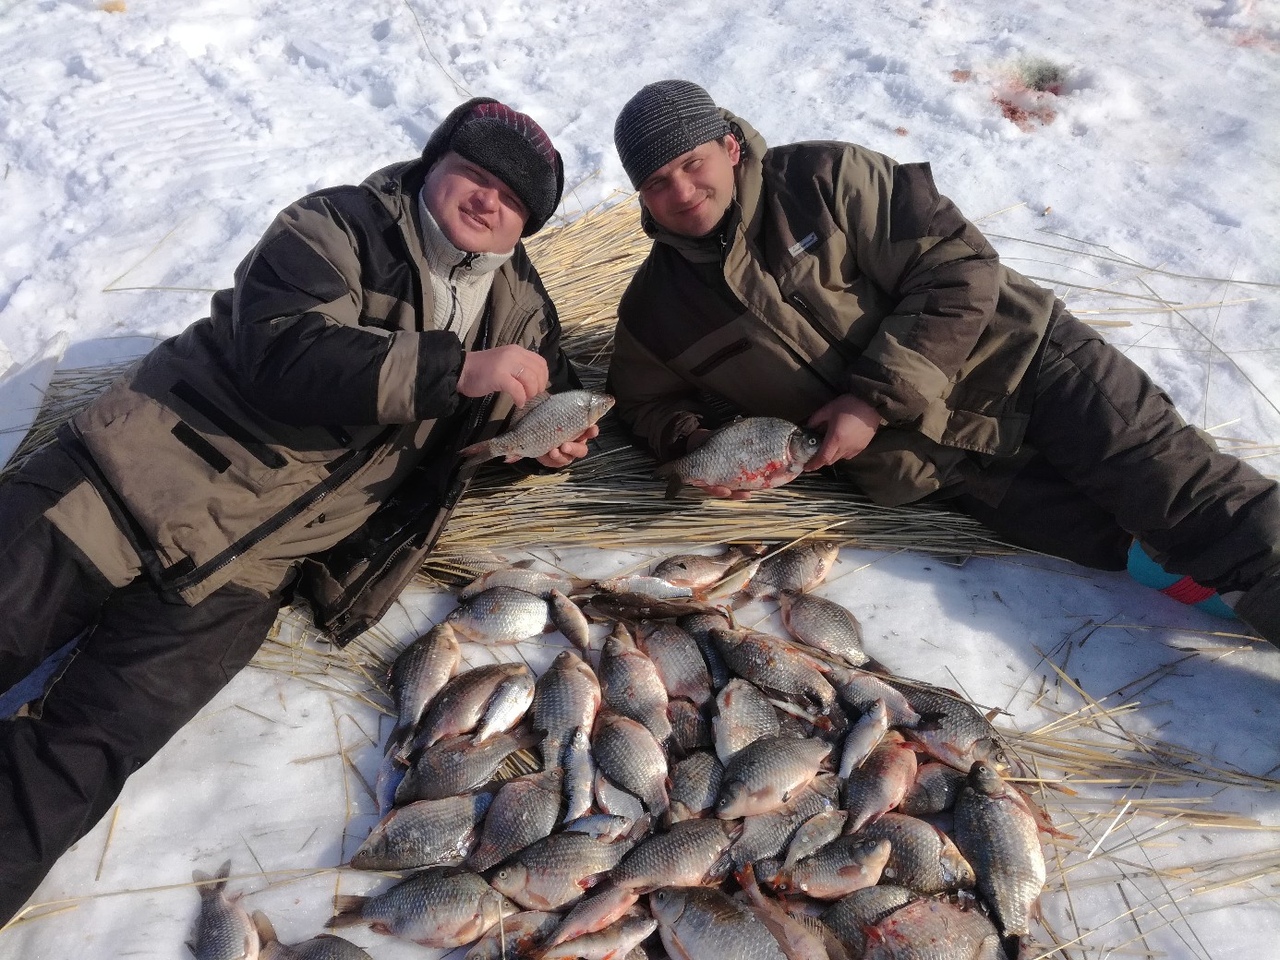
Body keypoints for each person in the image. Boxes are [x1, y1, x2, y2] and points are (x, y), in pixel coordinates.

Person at [0, 97, 597, 922]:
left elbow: (486, 443)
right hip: (126, 485)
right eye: (477, 174)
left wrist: (539, 449)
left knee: (77, 763)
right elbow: (282, 352)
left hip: (247, 574)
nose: (491, 200)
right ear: (435, 165)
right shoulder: (341, 225)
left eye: (516, 199)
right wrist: (453, 368)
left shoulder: (525, 316)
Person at [606, 79, 1280, 646]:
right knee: (1124, 549)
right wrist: (702, 450)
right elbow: (643, 405)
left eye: (693, 163)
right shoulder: (656, 308)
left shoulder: (824, 179)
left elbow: (958, 266)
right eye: (659, 182)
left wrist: (869, 401)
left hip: (1027, 367)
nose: (683, 191)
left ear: (728, 146)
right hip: (939, 471)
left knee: (1192, 504)